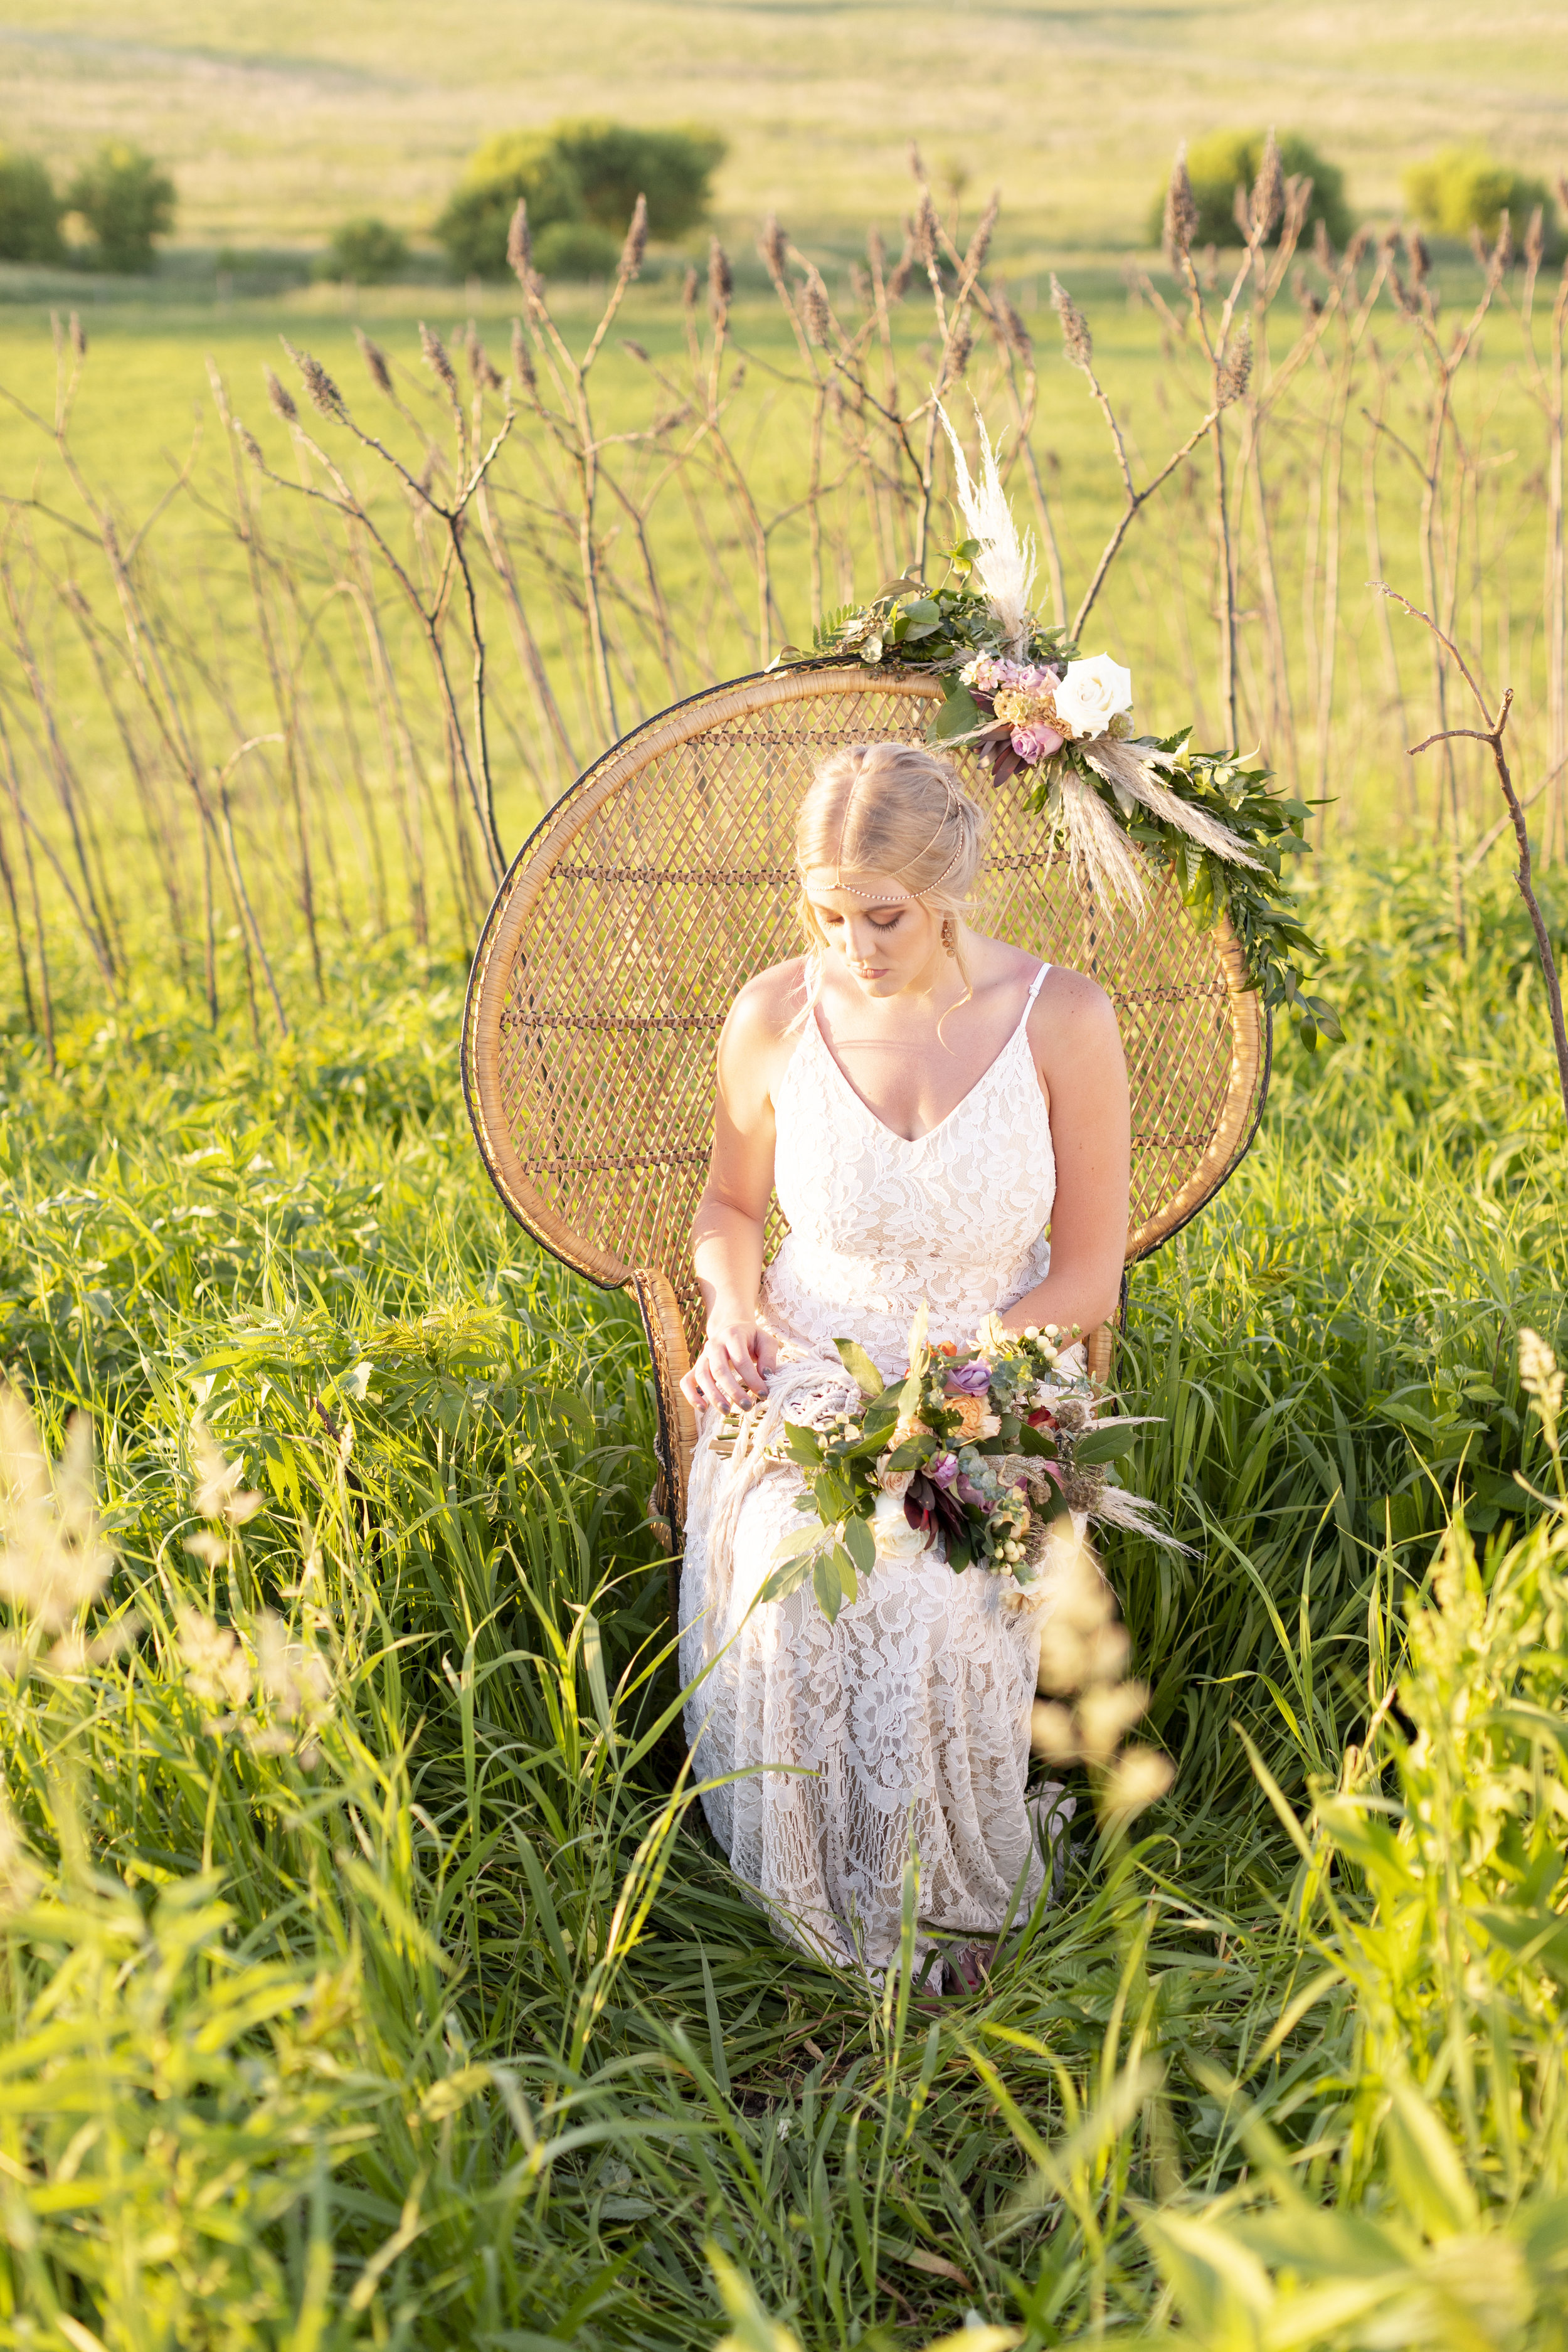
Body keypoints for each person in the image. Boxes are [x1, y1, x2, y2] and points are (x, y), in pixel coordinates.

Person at [677, 739, 1131, 1986]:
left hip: (997, 1363)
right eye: (826, 917)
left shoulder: (1062, 1017)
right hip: (811, 1364)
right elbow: (725, 1208)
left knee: (932, 1592)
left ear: (949, 893)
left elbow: (1089, 1275)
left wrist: (954, 1393)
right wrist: (727, 1314)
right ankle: (818, 1908)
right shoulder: (775, 1011)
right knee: (792, 1567)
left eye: (882, 917)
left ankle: (942, 1904)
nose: (855, 950)